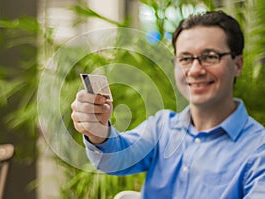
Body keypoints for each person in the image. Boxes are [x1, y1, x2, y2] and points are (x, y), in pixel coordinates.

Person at [71, 11, 265, 198]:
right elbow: (115, 159)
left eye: (210, 57)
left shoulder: (259, 150)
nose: (195, 70)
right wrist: (98, 131)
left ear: (237, 65)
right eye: (185, 59)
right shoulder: (162, 128)